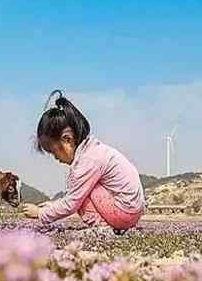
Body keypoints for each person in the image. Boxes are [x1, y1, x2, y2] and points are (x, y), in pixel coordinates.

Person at [22, 90, 145, 233]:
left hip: (124, 212)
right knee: (81, 189)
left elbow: (72, 202)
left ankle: (102, 229)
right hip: (132, 211)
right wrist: (53, 205)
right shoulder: (95, 151)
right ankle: (119, 226)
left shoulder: (88, 161)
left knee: (81, 194)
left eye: (54, 152)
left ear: (67, 139)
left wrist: (41, 213)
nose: (56, 158)